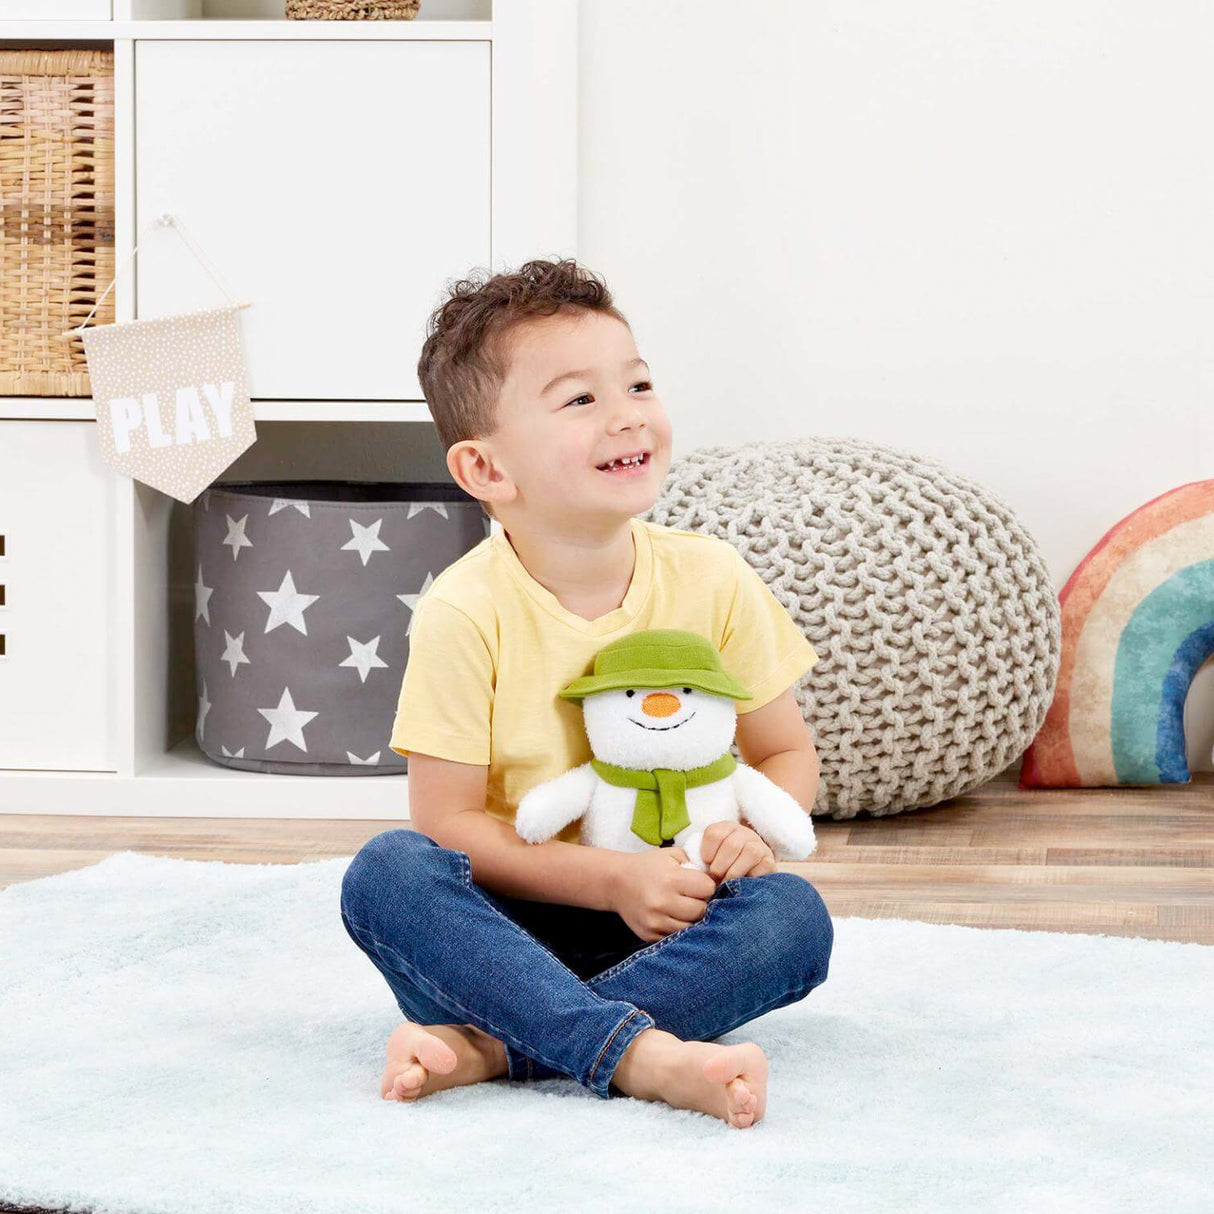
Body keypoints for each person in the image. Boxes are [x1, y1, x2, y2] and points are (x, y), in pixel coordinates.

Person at [339, 258, 834, 1129]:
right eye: (580, 400)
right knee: (388, 873)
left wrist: (746, 840)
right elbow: (447, 822)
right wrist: (609, 879)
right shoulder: (464, 609)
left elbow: (785, 752)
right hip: (498, 929)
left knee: (791, 917)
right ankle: (644, 1057)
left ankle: (494, 1048)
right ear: (487, 469)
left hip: (667, 918)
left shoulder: (713, 577)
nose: (629, 412)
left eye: (638, 382)